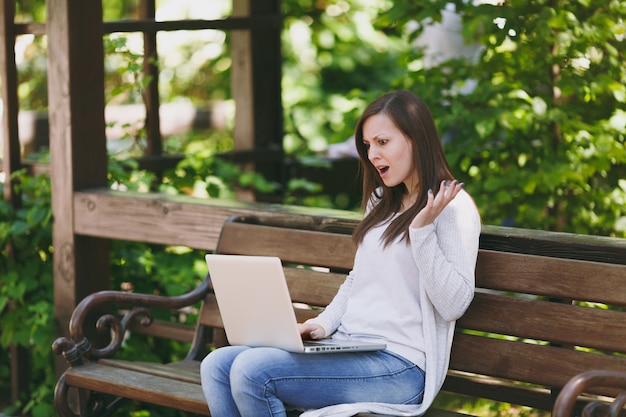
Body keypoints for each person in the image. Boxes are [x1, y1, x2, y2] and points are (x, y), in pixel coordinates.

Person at [200, 90, 481, 417]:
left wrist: (421, 232)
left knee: (252, 370)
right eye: (367, 145)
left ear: (416, 139)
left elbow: (453, 305)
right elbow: (358, 279)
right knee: (216, 365)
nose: (373, 155)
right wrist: (323, 323)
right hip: (352, 346)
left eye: (382, 142)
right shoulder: (381, 201)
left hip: (401, 366)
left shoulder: (453, 209)